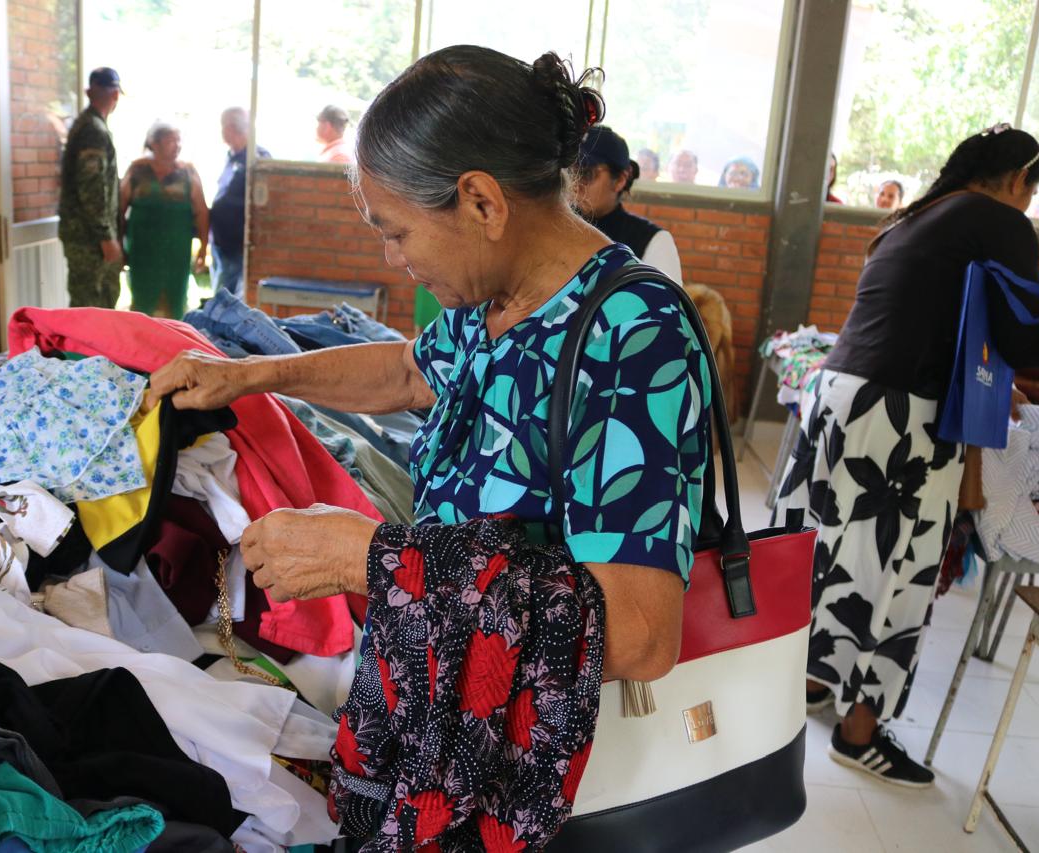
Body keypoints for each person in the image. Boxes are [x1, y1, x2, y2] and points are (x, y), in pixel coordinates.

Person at [145, 46, 714, 692]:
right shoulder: (493, 299)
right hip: (443, 691)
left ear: (481, 203)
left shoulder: (632, 335)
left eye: (398, 233)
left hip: (524, 734)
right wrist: (249, 374)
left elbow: (639, 633)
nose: (394, 258)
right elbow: (408, 371)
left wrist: (370, 558)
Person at [773, 125, 1039, 787]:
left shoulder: (917, 217)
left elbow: (941, 325)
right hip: (901, 416)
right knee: (901, 567)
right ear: (1020, 180)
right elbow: (1020, 340)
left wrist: (995, 384)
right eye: (1031, 192)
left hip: (839, 397)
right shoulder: (1001, 221)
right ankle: (858, 733)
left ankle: (812, 681)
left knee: (837, 552)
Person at [119, 122, 209, 320]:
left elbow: (201, 211)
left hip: (176, 251)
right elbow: (120, 209)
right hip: (143, 251)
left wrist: (203, 247)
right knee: (142, 302)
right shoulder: (137, 170)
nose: (177, 146)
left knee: (175, 301)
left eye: (179, 141)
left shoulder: (188, 172)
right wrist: (119, 245)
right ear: (155, 143)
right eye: (171, 141)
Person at [572, 125, 683, 283]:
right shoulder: (555, 226)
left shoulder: (653, 241)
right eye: (570, 172)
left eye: (586, 173)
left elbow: (664, 298)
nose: (575, 184)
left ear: (620, 180)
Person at [59, 67, 124, 309]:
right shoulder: (93, 130)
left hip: (85, 235)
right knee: (92, 306)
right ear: (115, 95)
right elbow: (92, 187)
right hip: (90, 239)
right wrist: (105, 236)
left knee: (92, 304)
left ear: (88, 92)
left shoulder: (87, 125)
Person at [210, 107, 272, 297]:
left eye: (222, 126)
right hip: (221, 241)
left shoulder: (257, 158)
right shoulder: (231, 156)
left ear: (230, 128)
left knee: (226, 297)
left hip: (238, 242)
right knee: (221, 288)